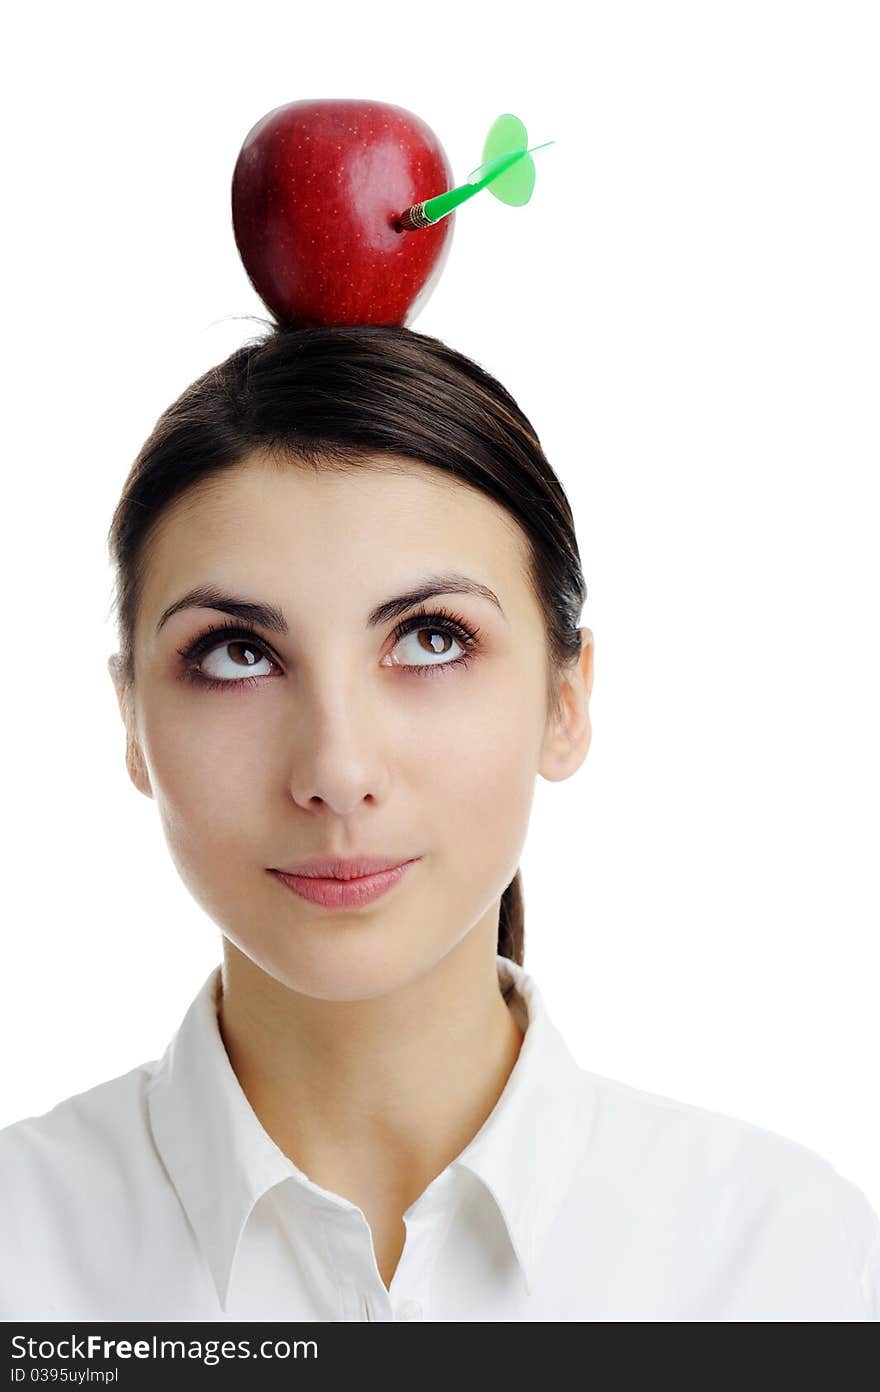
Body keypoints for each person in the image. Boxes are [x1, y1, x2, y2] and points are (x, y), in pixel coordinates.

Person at [1, 321, 878, 1323]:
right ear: (130, 722)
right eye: (237, 652)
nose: (336, 770)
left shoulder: (784, 1260)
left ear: (566, 700)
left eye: (429, 639)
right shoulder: (19, 1251)